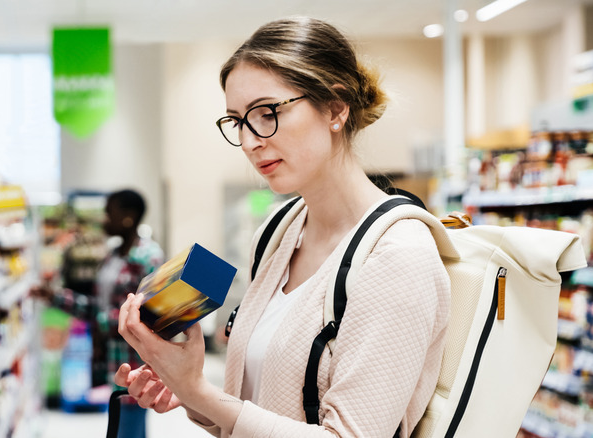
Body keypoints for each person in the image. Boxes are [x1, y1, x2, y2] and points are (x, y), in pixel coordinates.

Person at [115, 17, 450, 437]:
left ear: (335, 107)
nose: (251, 140)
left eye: (267, 113)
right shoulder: (278, 231)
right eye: (238, 121)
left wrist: (198, 390)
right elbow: (258, 405)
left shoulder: (398, 257)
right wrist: (189, 391)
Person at [38, 189, 164, 438]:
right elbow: (98, 306)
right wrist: (55, 297)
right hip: (112, 361)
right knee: (126, 428)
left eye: (109, 212)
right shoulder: (112, 255)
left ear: (129, 216)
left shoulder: (149, 257)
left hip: (137, 362)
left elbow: (150, 313)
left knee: (127, 428)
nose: (103, 219)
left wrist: (102, 320)